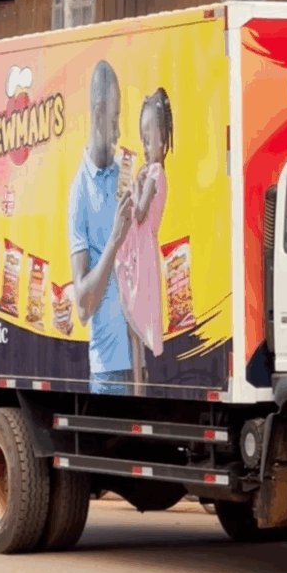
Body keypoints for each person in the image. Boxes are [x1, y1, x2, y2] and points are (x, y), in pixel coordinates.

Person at [68, 60, 134, 395]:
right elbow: (82, 307)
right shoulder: (80, 191)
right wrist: (114, 241)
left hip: (139, 362)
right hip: (109, 373)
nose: (119, 132)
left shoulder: (124, 174)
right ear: (97, 117)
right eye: (114, 119)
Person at [115, 87, 173, 394]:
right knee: (132, 324)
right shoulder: (148, 171)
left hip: (143, 252)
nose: (147, 143)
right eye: (144, 136)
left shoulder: (156, 173)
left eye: (152, 136)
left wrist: (135, 187)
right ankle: (137, 381)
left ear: (164, 139)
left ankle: (139, 383)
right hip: (137, 251)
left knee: (137, 320)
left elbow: (139, 214)